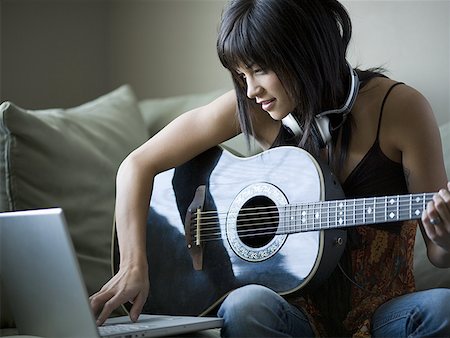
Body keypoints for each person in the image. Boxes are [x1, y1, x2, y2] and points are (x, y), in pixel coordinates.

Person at [90, 0, 450, 336]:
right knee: (244, 304)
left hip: (383, 315)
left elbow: (438, 254)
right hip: (290, 315)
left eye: (259, 70)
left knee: (443, 307)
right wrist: (132, 265)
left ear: (306, 51)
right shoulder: (256, 109)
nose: (250, 90)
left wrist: (445, 237)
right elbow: (136, 165)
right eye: (241, 75)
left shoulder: (401, 108)